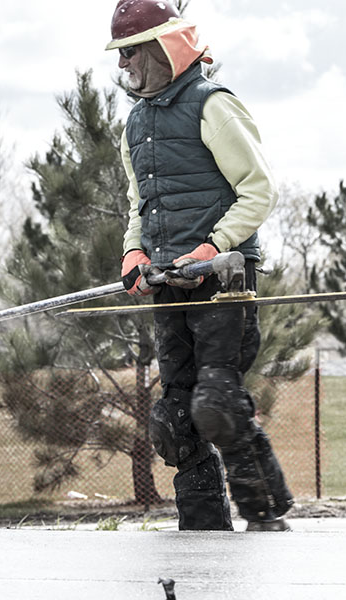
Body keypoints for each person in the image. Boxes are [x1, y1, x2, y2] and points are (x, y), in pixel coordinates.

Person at [107, 0, 294, 531]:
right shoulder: (135, 123)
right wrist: (133, 252)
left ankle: (266, 518)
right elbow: (139, 205)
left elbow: (259, 190)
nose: (123, 65)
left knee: (216, 404)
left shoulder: (213, 105)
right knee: (174, 420)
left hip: (224, 284)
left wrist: (214, 248)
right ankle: (203, 534)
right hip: (169, 283)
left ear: (165, 48)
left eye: (130, 53)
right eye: (120, 55)